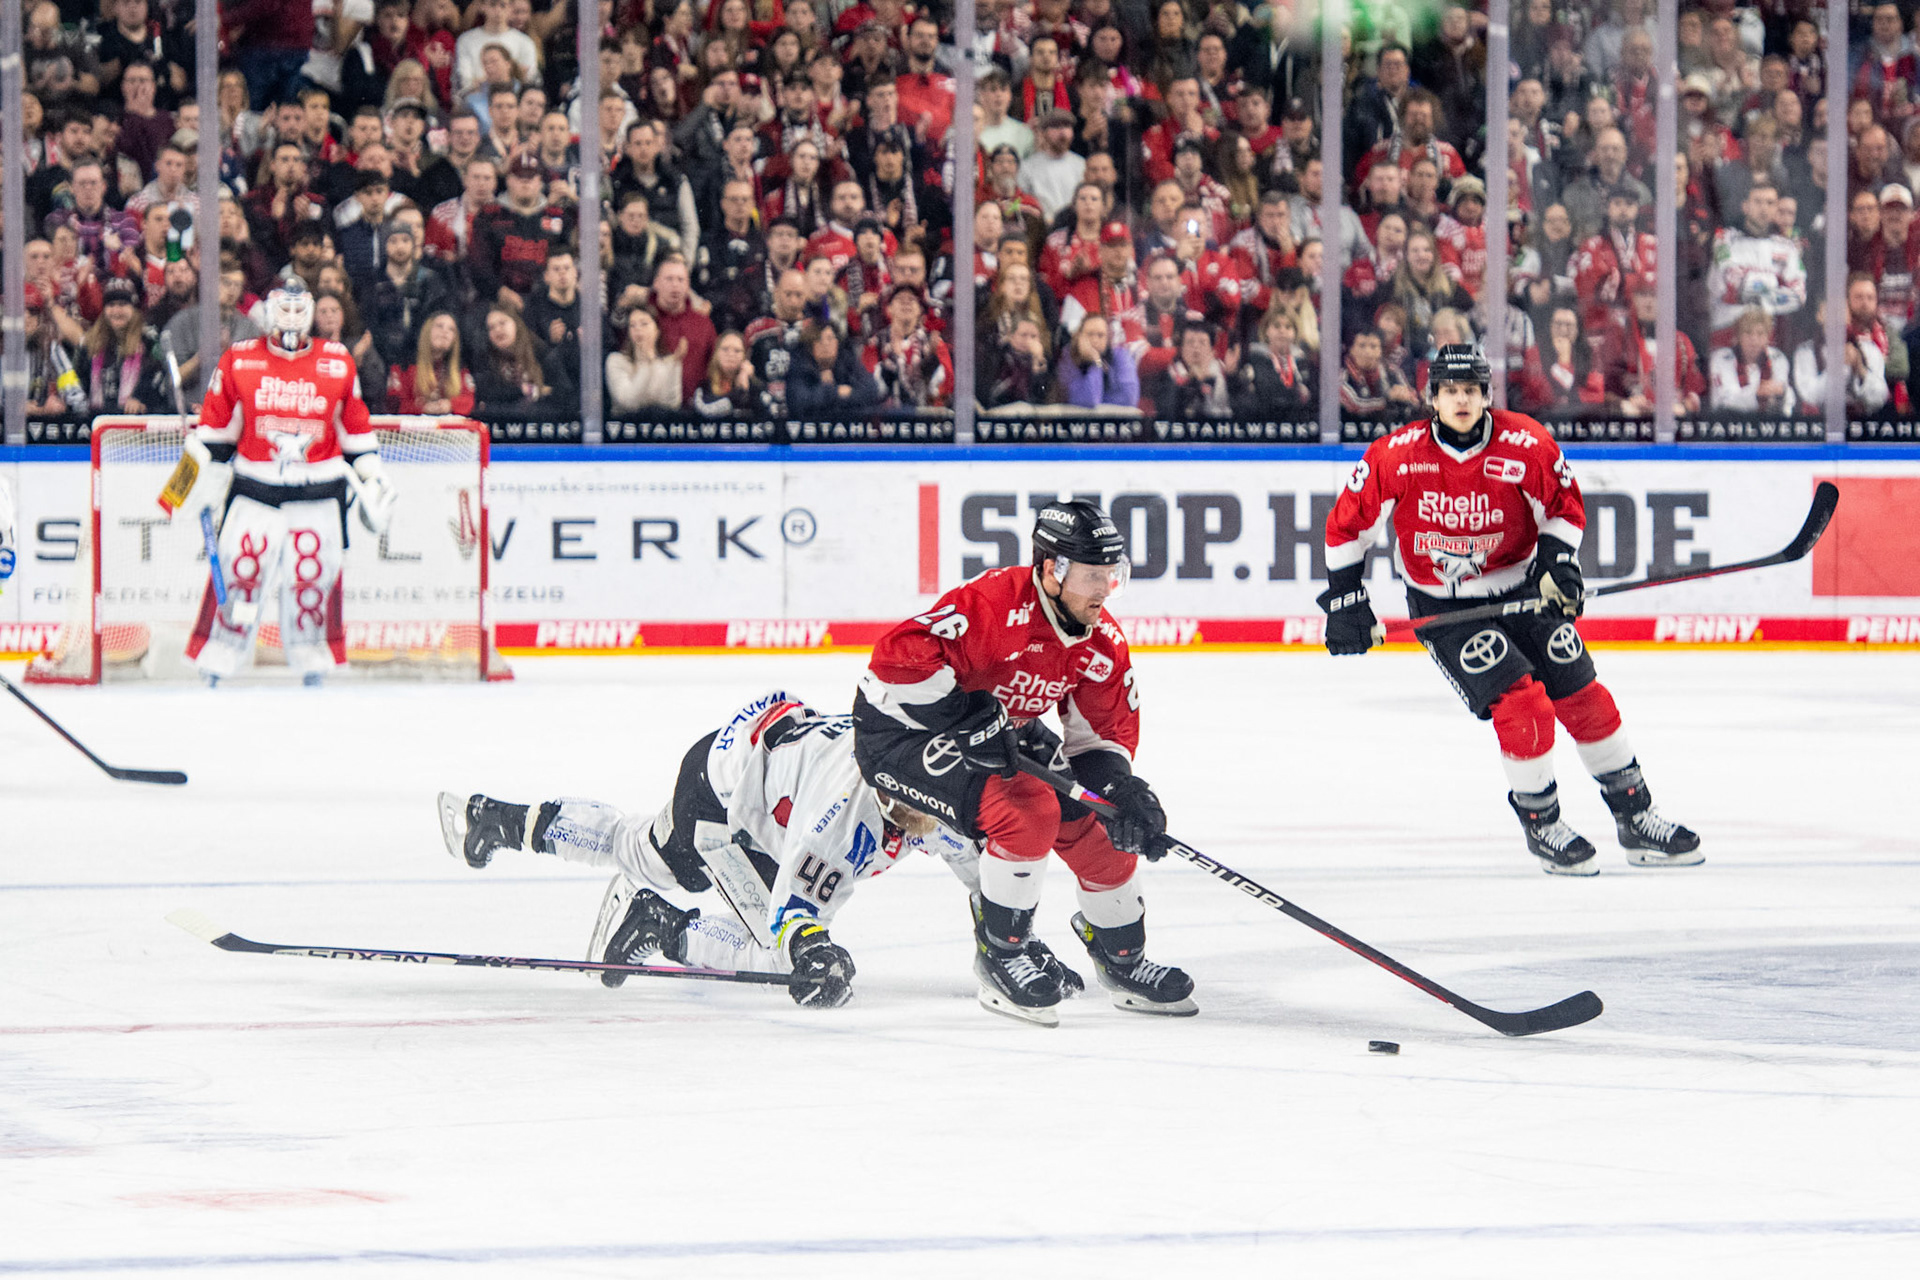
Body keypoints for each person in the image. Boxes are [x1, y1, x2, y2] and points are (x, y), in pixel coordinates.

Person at [1318, 345, 1700, 876]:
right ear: (1432, 398)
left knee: (1584, 693)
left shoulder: (1525, 441)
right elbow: (1348, 526)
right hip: (1446, 609)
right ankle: (1542, 824)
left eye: (1470, 391)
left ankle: (1637, 817)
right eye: (1450, 391)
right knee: (1524, 705)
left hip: (1522, 592)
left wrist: (1559, 564)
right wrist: (1345, 598)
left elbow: (1563, 507)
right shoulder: (1397, 454)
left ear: (1486, 395)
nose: (1461, 400)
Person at [438, 693, 1066, 1009]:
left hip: (770, 779)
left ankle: (492, 819)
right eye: (923, 806)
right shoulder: (842, 814)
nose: (932, 821)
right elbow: (796, 912)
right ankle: (659, 920)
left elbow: (979, 872)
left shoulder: (937, 793)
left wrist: (1013, 946)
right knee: (685, 883)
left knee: (646, 851)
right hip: (724, 791)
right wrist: (814, 952)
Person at [851, 500, 1194, 1024]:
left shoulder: (1101, 643)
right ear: (1052, 571)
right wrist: (963, 712)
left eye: (1112, 575)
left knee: (1102, 822)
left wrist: (1123, 792)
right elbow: (894, 658)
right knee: (1026, 811)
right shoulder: (993, 604)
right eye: (1092, 575)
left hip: (998, 726)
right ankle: (1001, 955)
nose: (1105, 590)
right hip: (901, 732)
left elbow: (1098, 741)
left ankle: (1123, 961)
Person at [177, 279, 392, 684]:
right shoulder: (239, 359)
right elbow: (214, 433)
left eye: (299, 308)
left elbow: (355, 430)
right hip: (255, 491)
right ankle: (217, 660)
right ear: (269, 311)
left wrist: (373, 477)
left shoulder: (338, 360)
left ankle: (314, 663)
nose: (291, 317)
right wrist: (188, 481)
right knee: (241, 570)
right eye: (284, 307)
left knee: (311, 578)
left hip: (319, 493)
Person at [82, 278, 165, 414]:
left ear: (134, 308)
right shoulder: (92, 342)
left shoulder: (148, 341)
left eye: (122, 304)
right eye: (111, 305)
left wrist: (139, 399)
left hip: (133, 419)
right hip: (97, 419)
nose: (116, 310)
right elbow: (81, 380)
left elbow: (156, 377)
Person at [1708, 306, 1796, 414]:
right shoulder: (1721, 358)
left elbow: (1788, 400)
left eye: (1760, 334)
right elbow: (1725, 399)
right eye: (1748, 333)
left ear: (1768, 337)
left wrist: (1782, 392)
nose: (1754, 340)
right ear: (1738, 336)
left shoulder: (1777, 357)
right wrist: (1757, 394)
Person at [387, 312, 476, 416]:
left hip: (449, 430)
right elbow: (395, 404)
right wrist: (422, 408)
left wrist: (450, 405)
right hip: (413, 430)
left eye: (451, 329)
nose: (445, 332)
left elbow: (469, 400)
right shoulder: (404, 366)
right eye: (439, 326)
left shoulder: (460, 370)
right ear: (427, 331)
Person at [786, 322, 883, 414]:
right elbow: (799, 402)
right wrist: (834, 391)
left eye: (830, 338)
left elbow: (871, 389)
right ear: (810, 345)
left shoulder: (846, 360)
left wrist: (841, 396)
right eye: (819, 339)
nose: (825, 344)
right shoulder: (800, 364)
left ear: (837, 342)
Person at [606, 308, 685, 412]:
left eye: (644, 324)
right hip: (626, 424)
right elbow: (628, 402)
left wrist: (676, 365)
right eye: (632, 325)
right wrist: (645, 364)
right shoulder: (616, 360)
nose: (638, 328)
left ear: (657, 331)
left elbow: (672, 404)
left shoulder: (666, 363)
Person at [1056, 314, 1140, 409]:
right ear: (1079, 337)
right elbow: (1087, 401)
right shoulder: (1069, 357)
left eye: (1100, 335)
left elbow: (1129, 398)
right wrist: (1095, 362)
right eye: (1089, 334)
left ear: (1108, 338)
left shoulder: (1121, 356)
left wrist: (1102, 402)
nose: (1095, 340)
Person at [690, 331, 774, 417]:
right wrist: (740, 391)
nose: (730, 354)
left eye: (737, 351)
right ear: (716, 353)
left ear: (745, 356)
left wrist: (750, 384)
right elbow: (706, 410)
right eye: (725, 349)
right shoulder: (703, 387)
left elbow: (768, 410)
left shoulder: (757, 387)